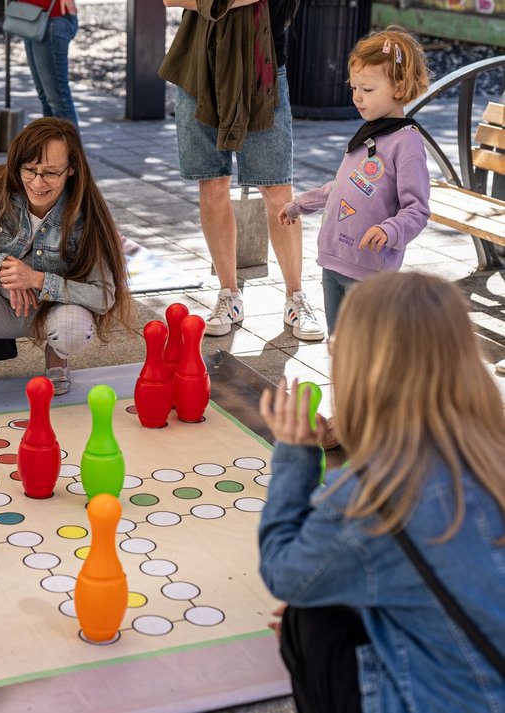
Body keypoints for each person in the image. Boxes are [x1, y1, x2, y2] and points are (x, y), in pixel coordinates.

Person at [258, 271, 505, 712]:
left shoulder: (371, 497)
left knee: (308, 617)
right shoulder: (494, 456)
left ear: (359, 372)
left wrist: (295, 455)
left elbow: (285, 573)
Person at [0, 117, 133, 421]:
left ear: (72, 169)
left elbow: (104, 296)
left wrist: (37, 279)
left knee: (73, 330)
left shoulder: (87, 214)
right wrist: (0, 266)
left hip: (52, 310)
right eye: (30, 170)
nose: (38, 182)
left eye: (51, 172)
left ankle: (57, 357)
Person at [159, 0, 324, 342]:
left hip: (262, 71)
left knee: (277, 189)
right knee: (213, 186)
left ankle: (296, 298)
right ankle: (228, 296)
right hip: (199, 69)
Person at [278, 29, 431, 334]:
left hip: (369, 271)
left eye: (368, 90)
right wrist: (301, 204)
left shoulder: (406, 143)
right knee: (338, 346)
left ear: (399, 89)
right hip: (334, 260)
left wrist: (390, 230)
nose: (357, 97)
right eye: (354, 88)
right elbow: (343, 187)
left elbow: (418, 209)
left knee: (365, 352)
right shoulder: (370, 134)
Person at [21, 0, 79, 127]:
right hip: (31, 15)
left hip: (51, 17)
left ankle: (70, 146)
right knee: (45, 96)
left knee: (58, 100)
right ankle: (52, 145)